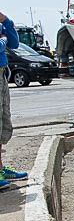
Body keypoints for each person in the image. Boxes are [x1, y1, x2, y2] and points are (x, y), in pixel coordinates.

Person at [0, 11, 28, 190]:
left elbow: (14, 43)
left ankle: (0, 168)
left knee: (3, 122)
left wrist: (6, 21)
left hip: (2, 72)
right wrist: (3, 39)